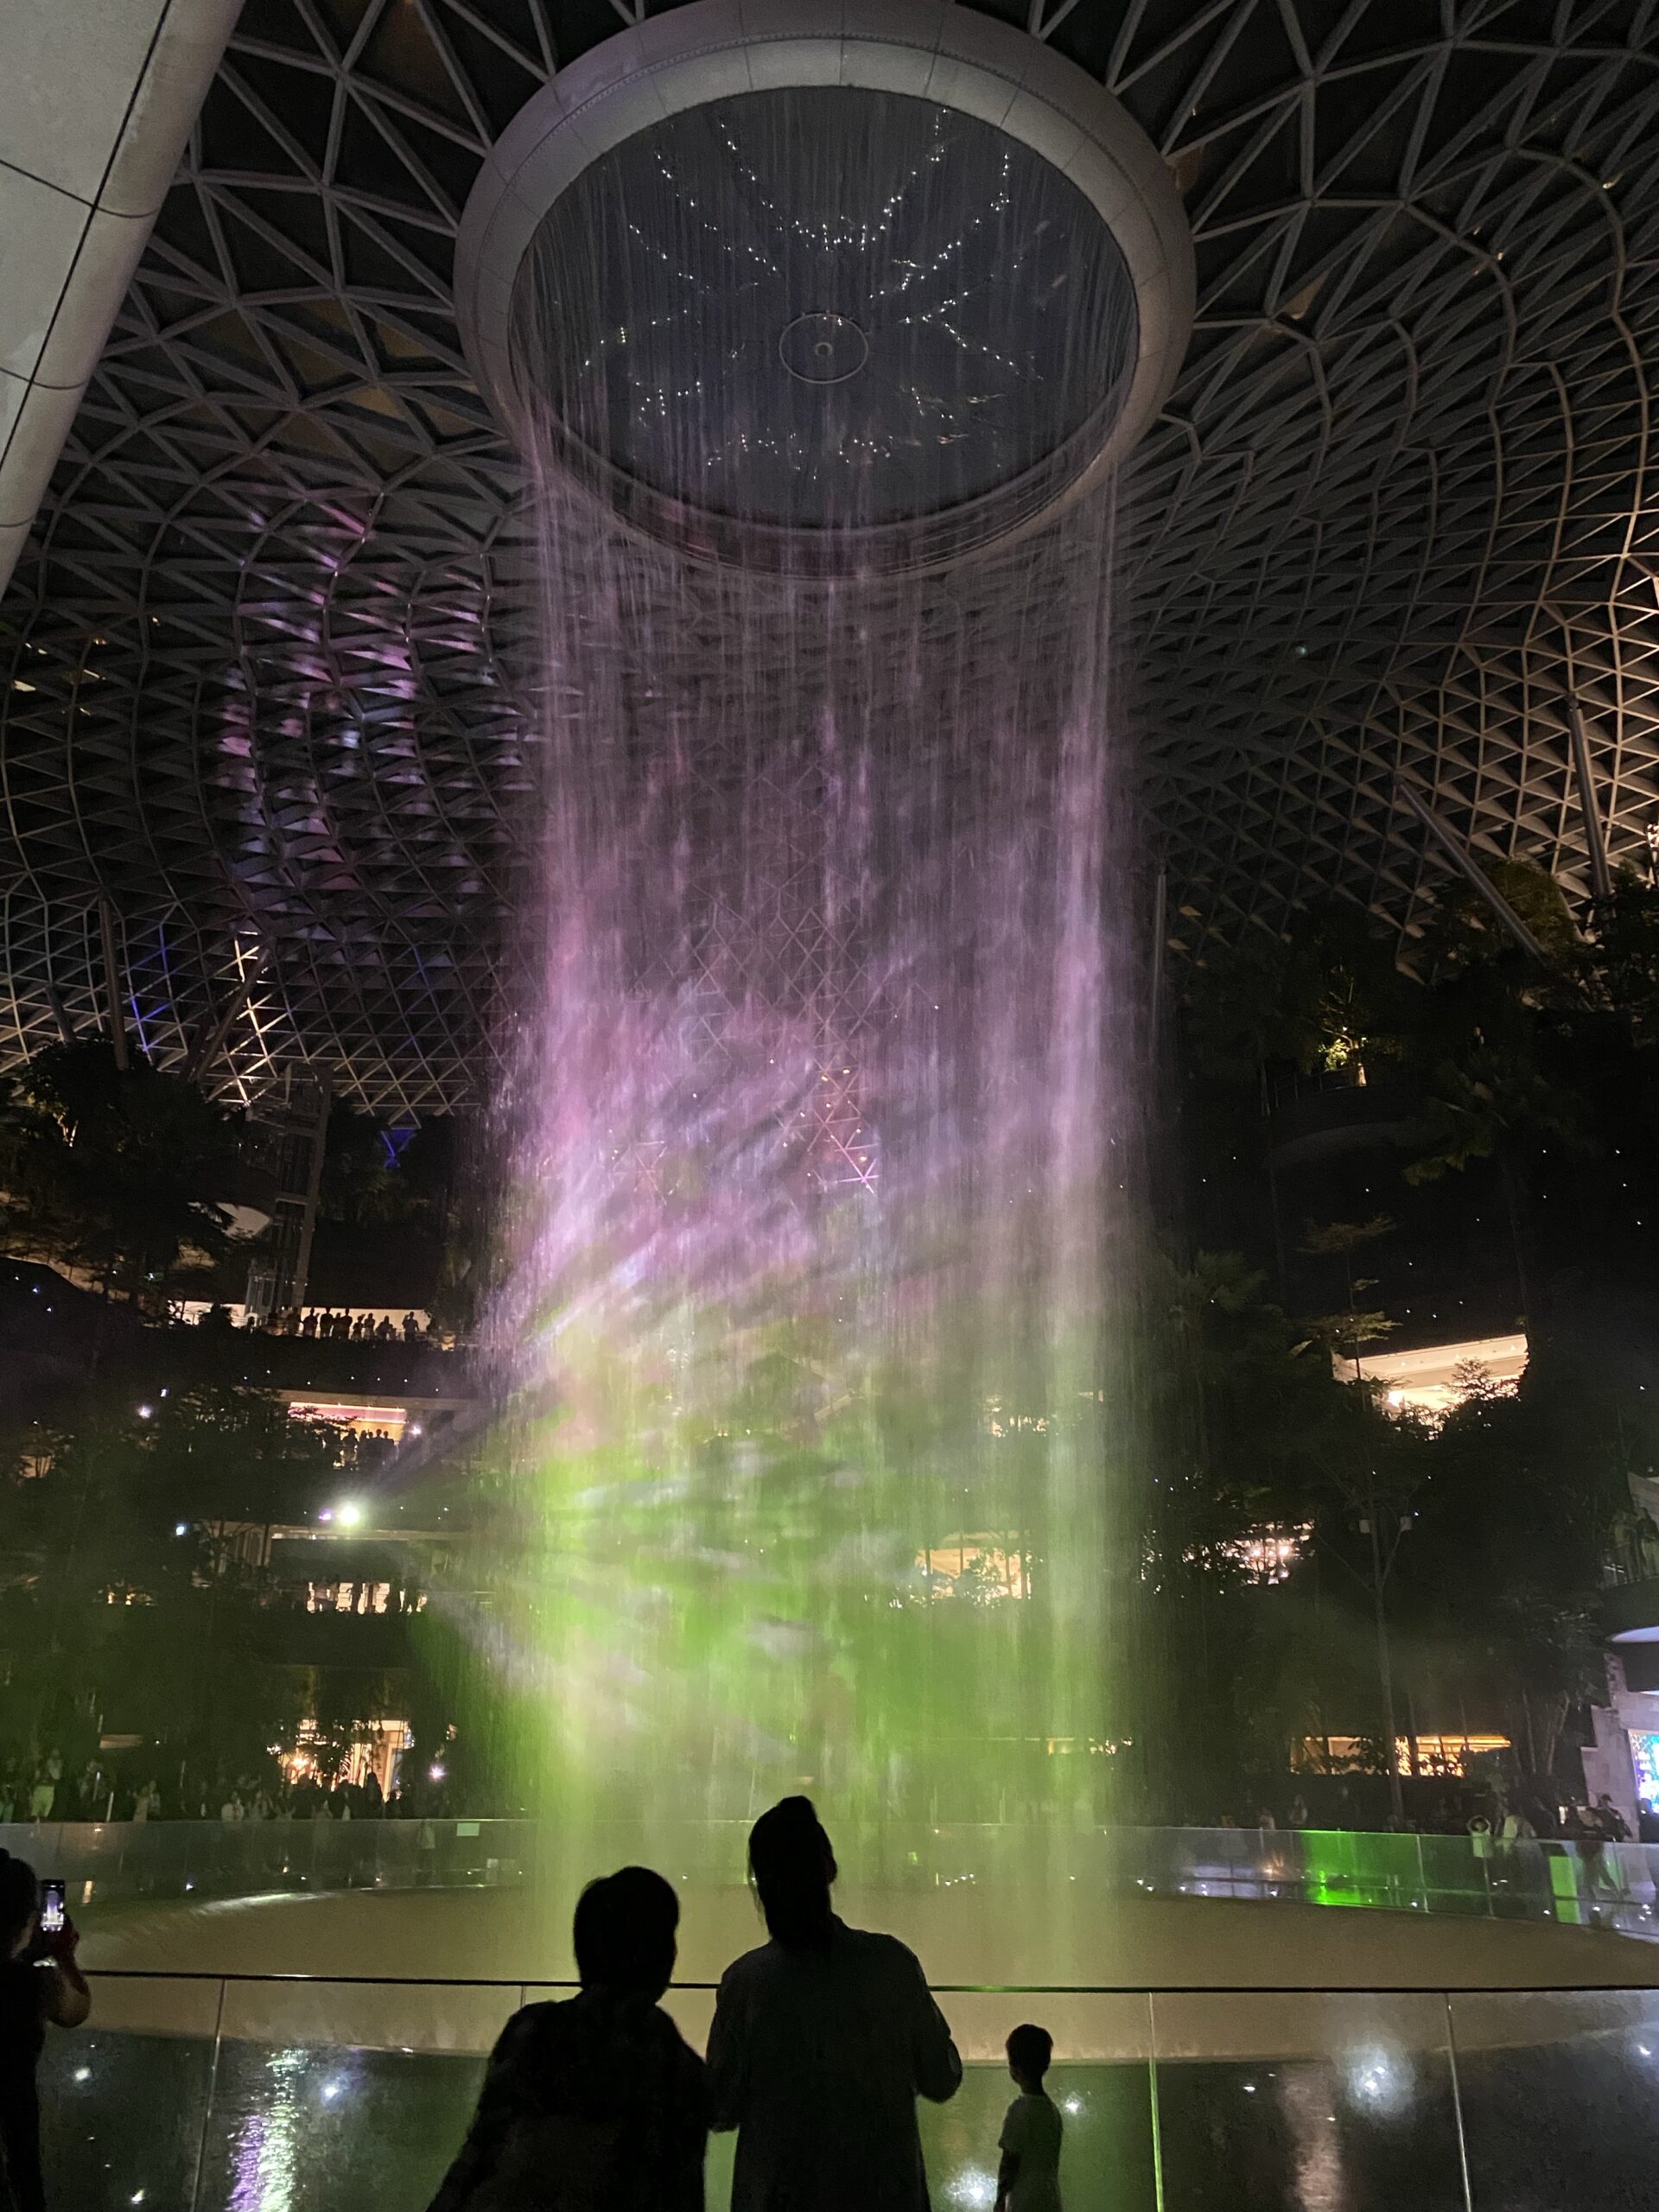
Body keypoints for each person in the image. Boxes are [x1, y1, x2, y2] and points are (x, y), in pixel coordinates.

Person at [708, 1796, 961, 2212]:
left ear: (762, 1883)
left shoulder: (745, 1984)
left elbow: (721, 2108)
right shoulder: (891, 1965)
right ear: (828, 1868)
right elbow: (942, 2078)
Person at [426, 1866, 705, 2210]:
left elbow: (479, 2154)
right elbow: (680, 2192)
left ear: (584, 1951)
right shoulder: (675, 2066)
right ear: (658, 1957)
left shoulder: (531, 2032)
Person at [0, 1851, 91, 2212]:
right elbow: (75, 2010)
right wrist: (64, 1955)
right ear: (26, 1920)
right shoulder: (32, 1984)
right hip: (13, 2131)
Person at [996, 2024, 1062, 2212]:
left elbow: (1009, 2161)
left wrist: (1000, 2199)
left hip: (1024, 2203)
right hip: (1051, 2200)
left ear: (1014, 2068)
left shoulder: (1019, 2110)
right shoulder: (1052, 2111)